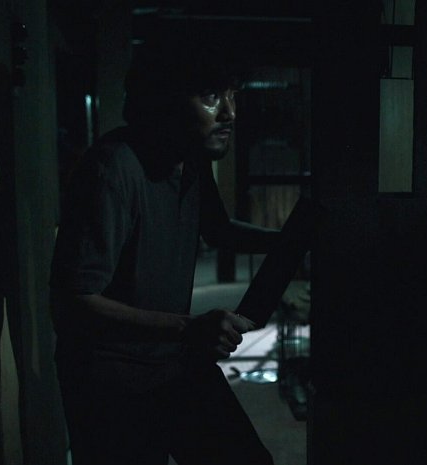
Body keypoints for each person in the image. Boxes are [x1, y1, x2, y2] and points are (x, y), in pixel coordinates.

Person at [49, 41, 280, 465]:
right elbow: (73, 300)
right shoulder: (113, 169)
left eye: (233, 95)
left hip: (172, 361)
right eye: (211, 96)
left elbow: (219, 229)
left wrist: (286, 240)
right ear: (164, 100)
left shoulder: (191, 159)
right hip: (110, 379)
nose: (229, 113)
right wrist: (189, 328)